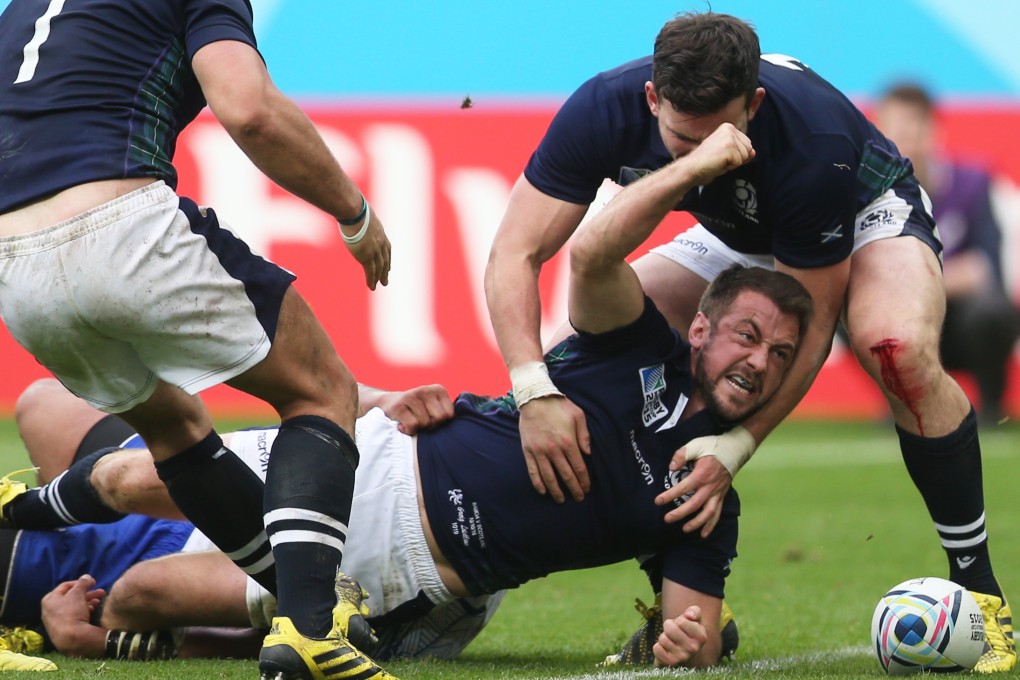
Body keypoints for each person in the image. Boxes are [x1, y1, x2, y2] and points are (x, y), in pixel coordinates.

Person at [4, 148, 816, 668]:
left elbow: (699, 634)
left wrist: (681, 647)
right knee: (116, 466)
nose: (758, 362)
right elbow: (596, 250)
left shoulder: (707, 493)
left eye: (781, 356)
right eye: (748, 336)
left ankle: (144, 624)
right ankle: (28, 512)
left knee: (145, 585)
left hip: (408, 569)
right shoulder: (637, 345)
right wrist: (695, 164)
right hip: (386, 453)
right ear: (702, 326)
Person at [483, 11, 1014, 673]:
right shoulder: (602, 108)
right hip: (739, 231)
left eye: (716, 138)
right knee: (580, 362)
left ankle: (982, 593)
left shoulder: (811, 140)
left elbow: (810, 322)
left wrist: (736, 446)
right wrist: (532, 386)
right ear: (653, 97)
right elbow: (515, 251)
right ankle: (693, 602)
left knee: (895, 348)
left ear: (754, 104)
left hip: (864, 209)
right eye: (679, 138)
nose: (694, 154)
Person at [0, 1, 395, 678]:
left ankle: (310, 608)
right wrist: (353, 213)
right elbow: (250, 110)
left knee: (176, 430)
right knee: (322, 390)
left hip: (12, 261)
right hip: (117, 218)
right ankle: (306, 630)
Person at [874, 82, 1020, 424]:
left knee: (991, 310)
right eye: (890, 130)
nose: (901, 140)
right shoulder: (871, 195)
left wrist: (911, 281)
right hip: (906, 321)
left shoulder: (972, 183)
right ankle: (900, 403)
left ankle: (992, 406)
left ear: (931, 130)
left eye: (910, 128)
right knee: (848, 310)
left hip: (963, 325)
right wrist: (946, 276)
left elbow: (988, 272)